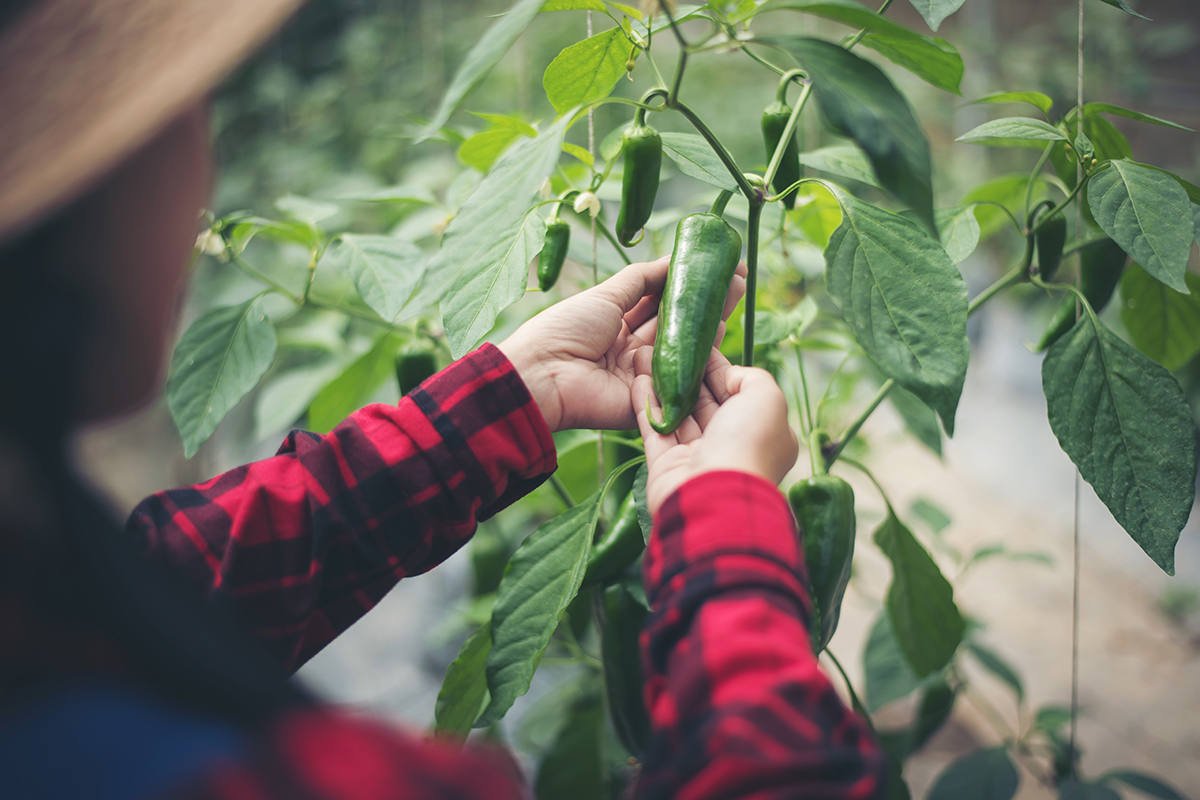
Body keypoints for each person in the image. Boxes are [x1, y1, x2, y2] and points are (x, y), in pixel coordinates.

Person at [0, 1, 886, 798]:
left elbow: (194, 571)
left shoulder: (41, 583)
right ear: (76, 197)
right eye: (181, 112)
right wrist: (726, 513)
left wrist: (517, 391)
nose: (204, 151)